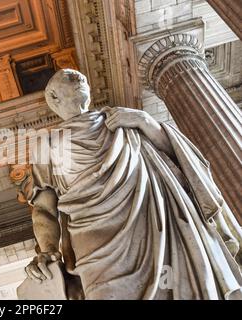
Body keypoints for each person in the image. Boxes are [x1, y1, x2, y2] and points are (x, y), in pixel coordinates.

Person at [20, 69, 242, 300]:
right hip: (94, 241)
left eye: (82, 78)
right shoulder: (47, 145)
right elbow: (44, 208)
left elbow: (180, 161)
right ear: (53, 97)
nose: (81, 80)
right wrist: (47, 250)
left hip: (154, 222)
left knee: (179, 289)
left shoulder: (122, 121)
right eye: (71, 78)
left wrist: (145, 122)